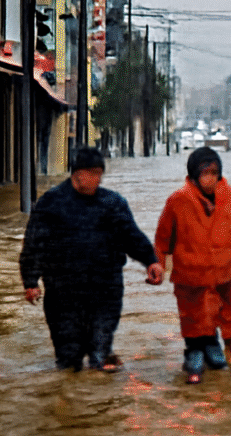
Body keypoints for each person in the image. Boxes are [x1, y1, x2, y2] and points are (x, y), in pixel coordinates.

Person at [19, 147, 163, 372]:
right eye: (94, 173)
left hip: (105, 290)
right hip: (63, 293)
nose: (98, 179)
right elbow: (34, 244)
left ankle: (101, 380)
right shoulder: (51, 203)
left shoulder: (112, 203)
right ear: (78, 173)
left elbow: (131, 236)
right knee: (68, 361)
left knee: (100, 355)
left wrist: (151, 261)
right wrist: (30, 282)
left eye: (100, 174)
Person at [154, 147, 231, 383]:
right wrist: (158, 266)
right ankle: (194, 350)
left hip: (229, 270)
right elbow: (162, 240)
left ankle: (230, 350)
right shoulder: (177, 201)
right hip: (191, 273)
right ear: (193, 175)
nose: (209, 179)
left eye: (214, 173)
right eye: (204, 173)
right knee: (194, 314)